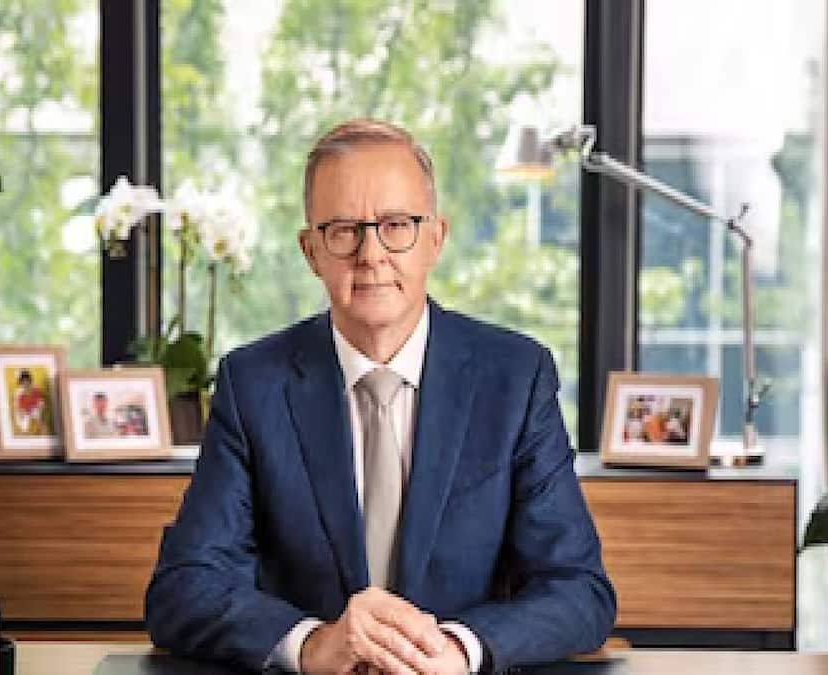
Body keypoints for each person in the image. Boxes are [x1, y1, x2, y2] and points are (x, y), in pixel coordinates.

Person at [145, 119, 616, 673]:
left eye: (396, 225)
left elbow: (579, 590)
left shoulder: (515, 377)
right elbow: (182, 588)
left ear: (435, 238)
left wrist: (457, 650)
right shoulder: (253, 384)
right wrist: (312, 644)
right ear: (310, 251)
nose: (370, 254)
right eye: (344, 230)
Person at [12, 369, 46, 435]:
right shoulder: (18, 392)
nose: (25, 384)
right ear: (21, 382)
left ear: (30, 381)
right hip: (24, 412)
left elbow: (41, 402)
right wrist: (22, 412)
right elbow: (18, 406)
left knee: (37, 419)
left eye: (27, 381)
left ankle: (38, 429)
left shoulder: (35, 389)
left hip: (34, 410)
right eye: (23, 382)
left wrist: (38, 407)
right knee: (25, 426)